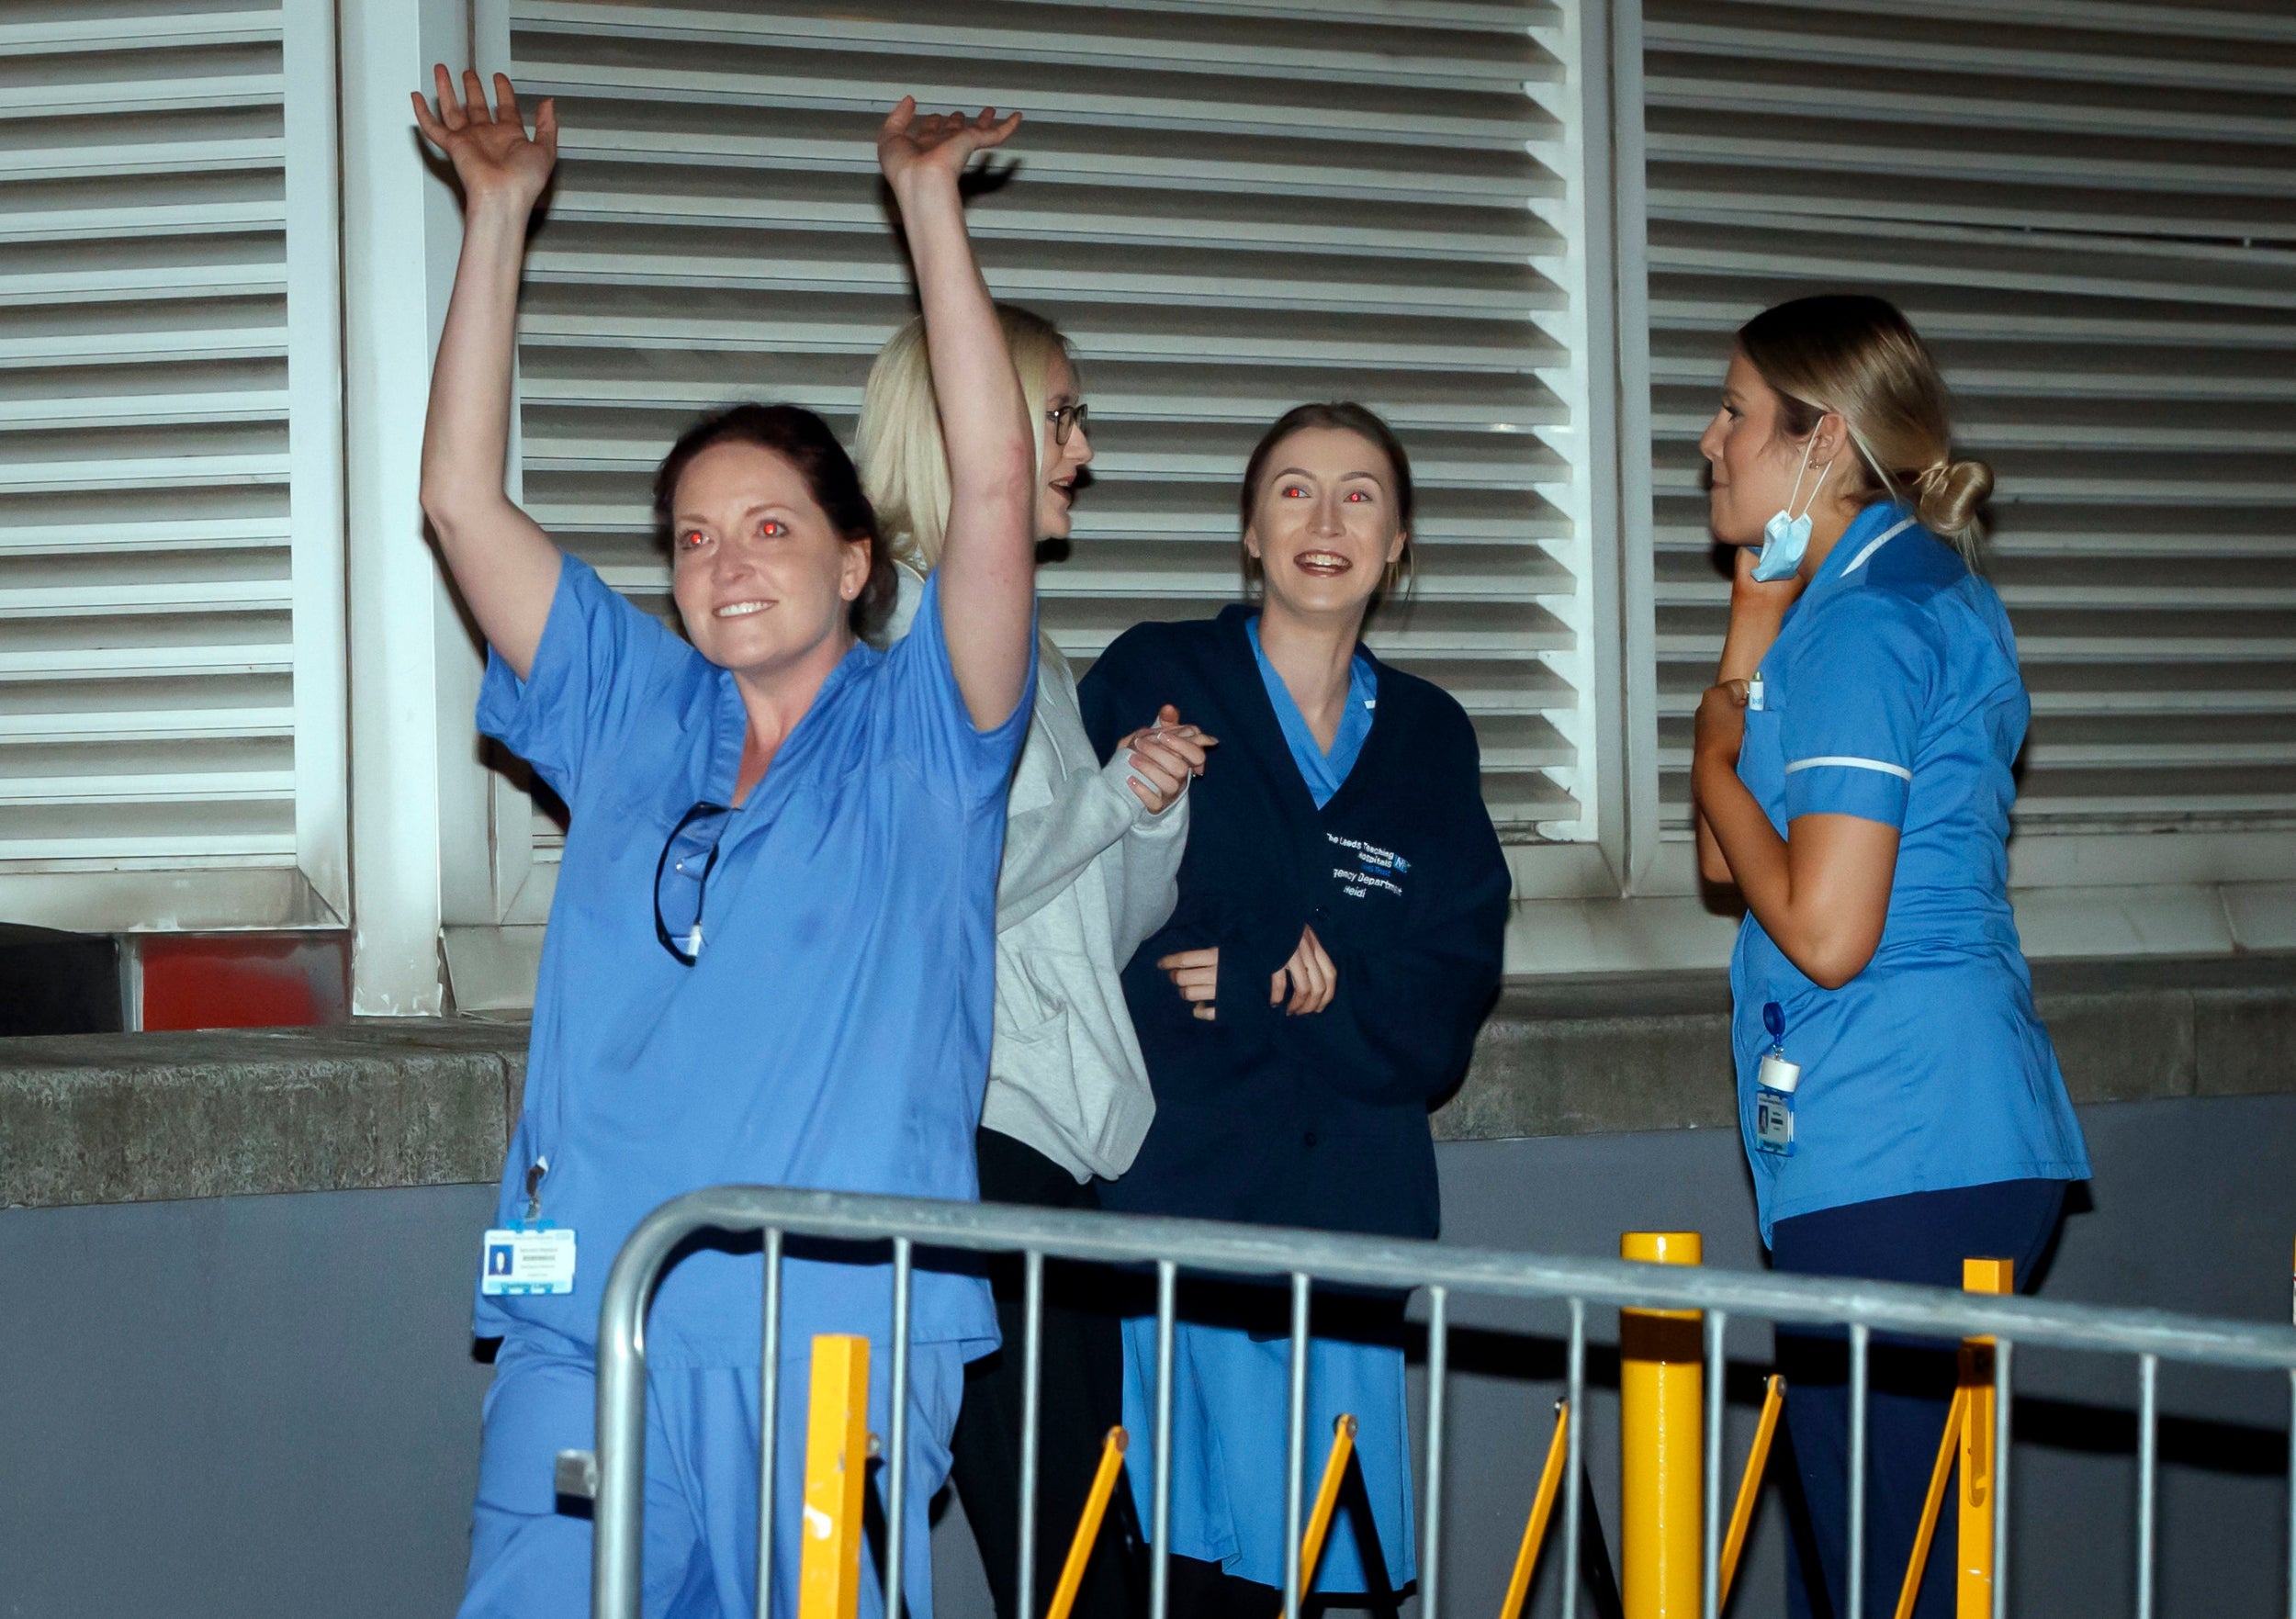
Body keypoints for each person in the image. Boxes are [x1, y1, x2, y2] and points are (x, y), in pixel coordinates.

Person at [411, 68, 1039, 1619]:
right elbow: (455, 500)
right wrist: (496, 219)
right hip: (596, 1318)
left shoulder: (926, 737)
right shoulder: (631, 702)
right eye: (692, 536)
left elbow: (997, 486)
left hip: (831, 1341)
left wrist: (927, 209)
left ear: (853, 559)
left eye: (767, 528)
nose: (723, 561)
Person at [1688, 294, 2090, 1619]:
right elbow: (1723, 866)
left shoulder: (1866, 630)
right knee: (1868, 1561)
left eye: (1738, 412)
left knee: (1876, 1576)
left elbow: (1824, 927)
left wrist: (1708, 757)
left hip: (1899, 1140)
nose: (1707, 440)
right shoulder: (1894, 594)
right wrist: (1753, 620)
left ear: (1825, 442)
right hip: (1940, 1135)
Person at [1078, 402, 1510, 1615]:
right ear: (1251, 533)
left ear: (1402, 539)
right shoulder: (1157, 676)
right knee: (1188, 1575)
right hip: (1186, 1212)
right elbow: (1131, 939)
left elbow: (1443, 1002)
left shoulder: (1431, 736)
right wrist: (1308, 972)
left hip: (1352, 1224)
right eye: (1295, 491)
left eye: (1360, 494)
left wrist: (1282, 985)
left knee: (1338, 1578)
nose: (1327, 521)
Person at [854, 306, 1210, 1619]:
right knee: (1064, 1551)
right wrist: (1109, 802)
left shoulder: (1036, 653)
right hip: (971, 1141)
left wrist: (1149, 817)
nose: (1083, 451)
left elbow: (1087, 929)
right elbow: (931, 893)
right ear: (979, 429)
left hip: (1054, 1153)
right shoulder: (894, 641)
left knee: (1067, 1535)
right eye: (1059, 417)